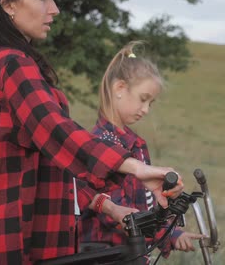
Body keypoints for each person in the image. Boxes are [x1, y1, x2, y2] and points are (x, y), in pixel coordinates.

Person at [0, 0, 183, 265]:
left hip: (34, 223)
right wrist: (137, 168)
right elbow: (57, 131)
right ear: (9, 4)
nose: (54, 9)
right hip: (14, 230)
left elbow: (55, 154)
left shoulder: (8, 62)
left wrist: (107, 205)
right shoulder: (10, 63)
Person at [77, 42, 205, 262]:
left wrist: (172, 232)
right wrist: (166, 234)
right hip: (105, 253)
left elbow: (142, 206)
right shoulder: (102, 143)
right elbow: (121, 215)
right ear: (119, 89)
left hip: (130, 250)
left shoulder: (134, 143)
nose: (146, 110)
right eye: (143, 99)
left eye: (151, 103)